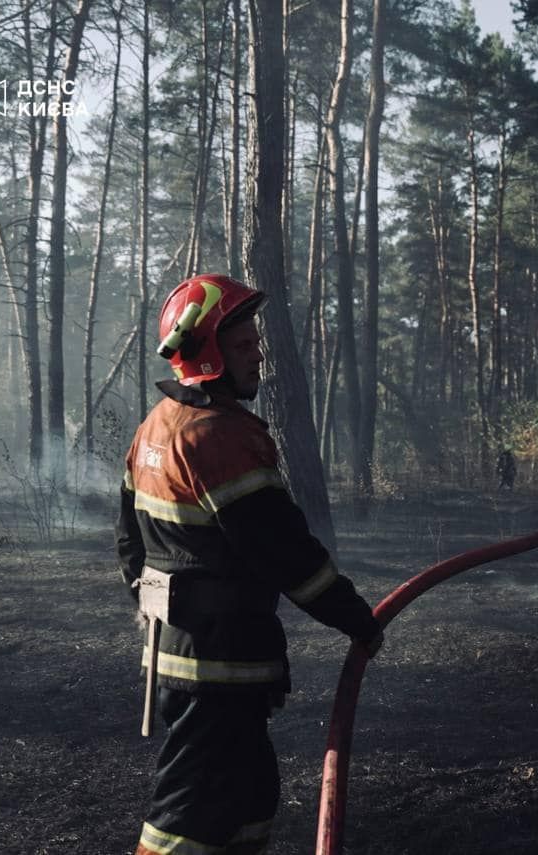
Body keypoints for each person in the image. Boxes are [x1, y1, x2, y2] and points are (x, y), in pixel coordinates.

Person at [116, 274, 384, 855]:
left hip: (185, 654)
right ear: (209, 354)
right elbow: (283, 550)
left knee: (248, 803)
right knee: (185, 821)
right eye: (243, 345)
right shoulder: (219, 438)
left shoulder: (156, 426)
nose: (258, 353)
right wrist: (354, 616)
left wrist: (151, 601)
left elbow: (128, 541)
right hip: (218, 664)